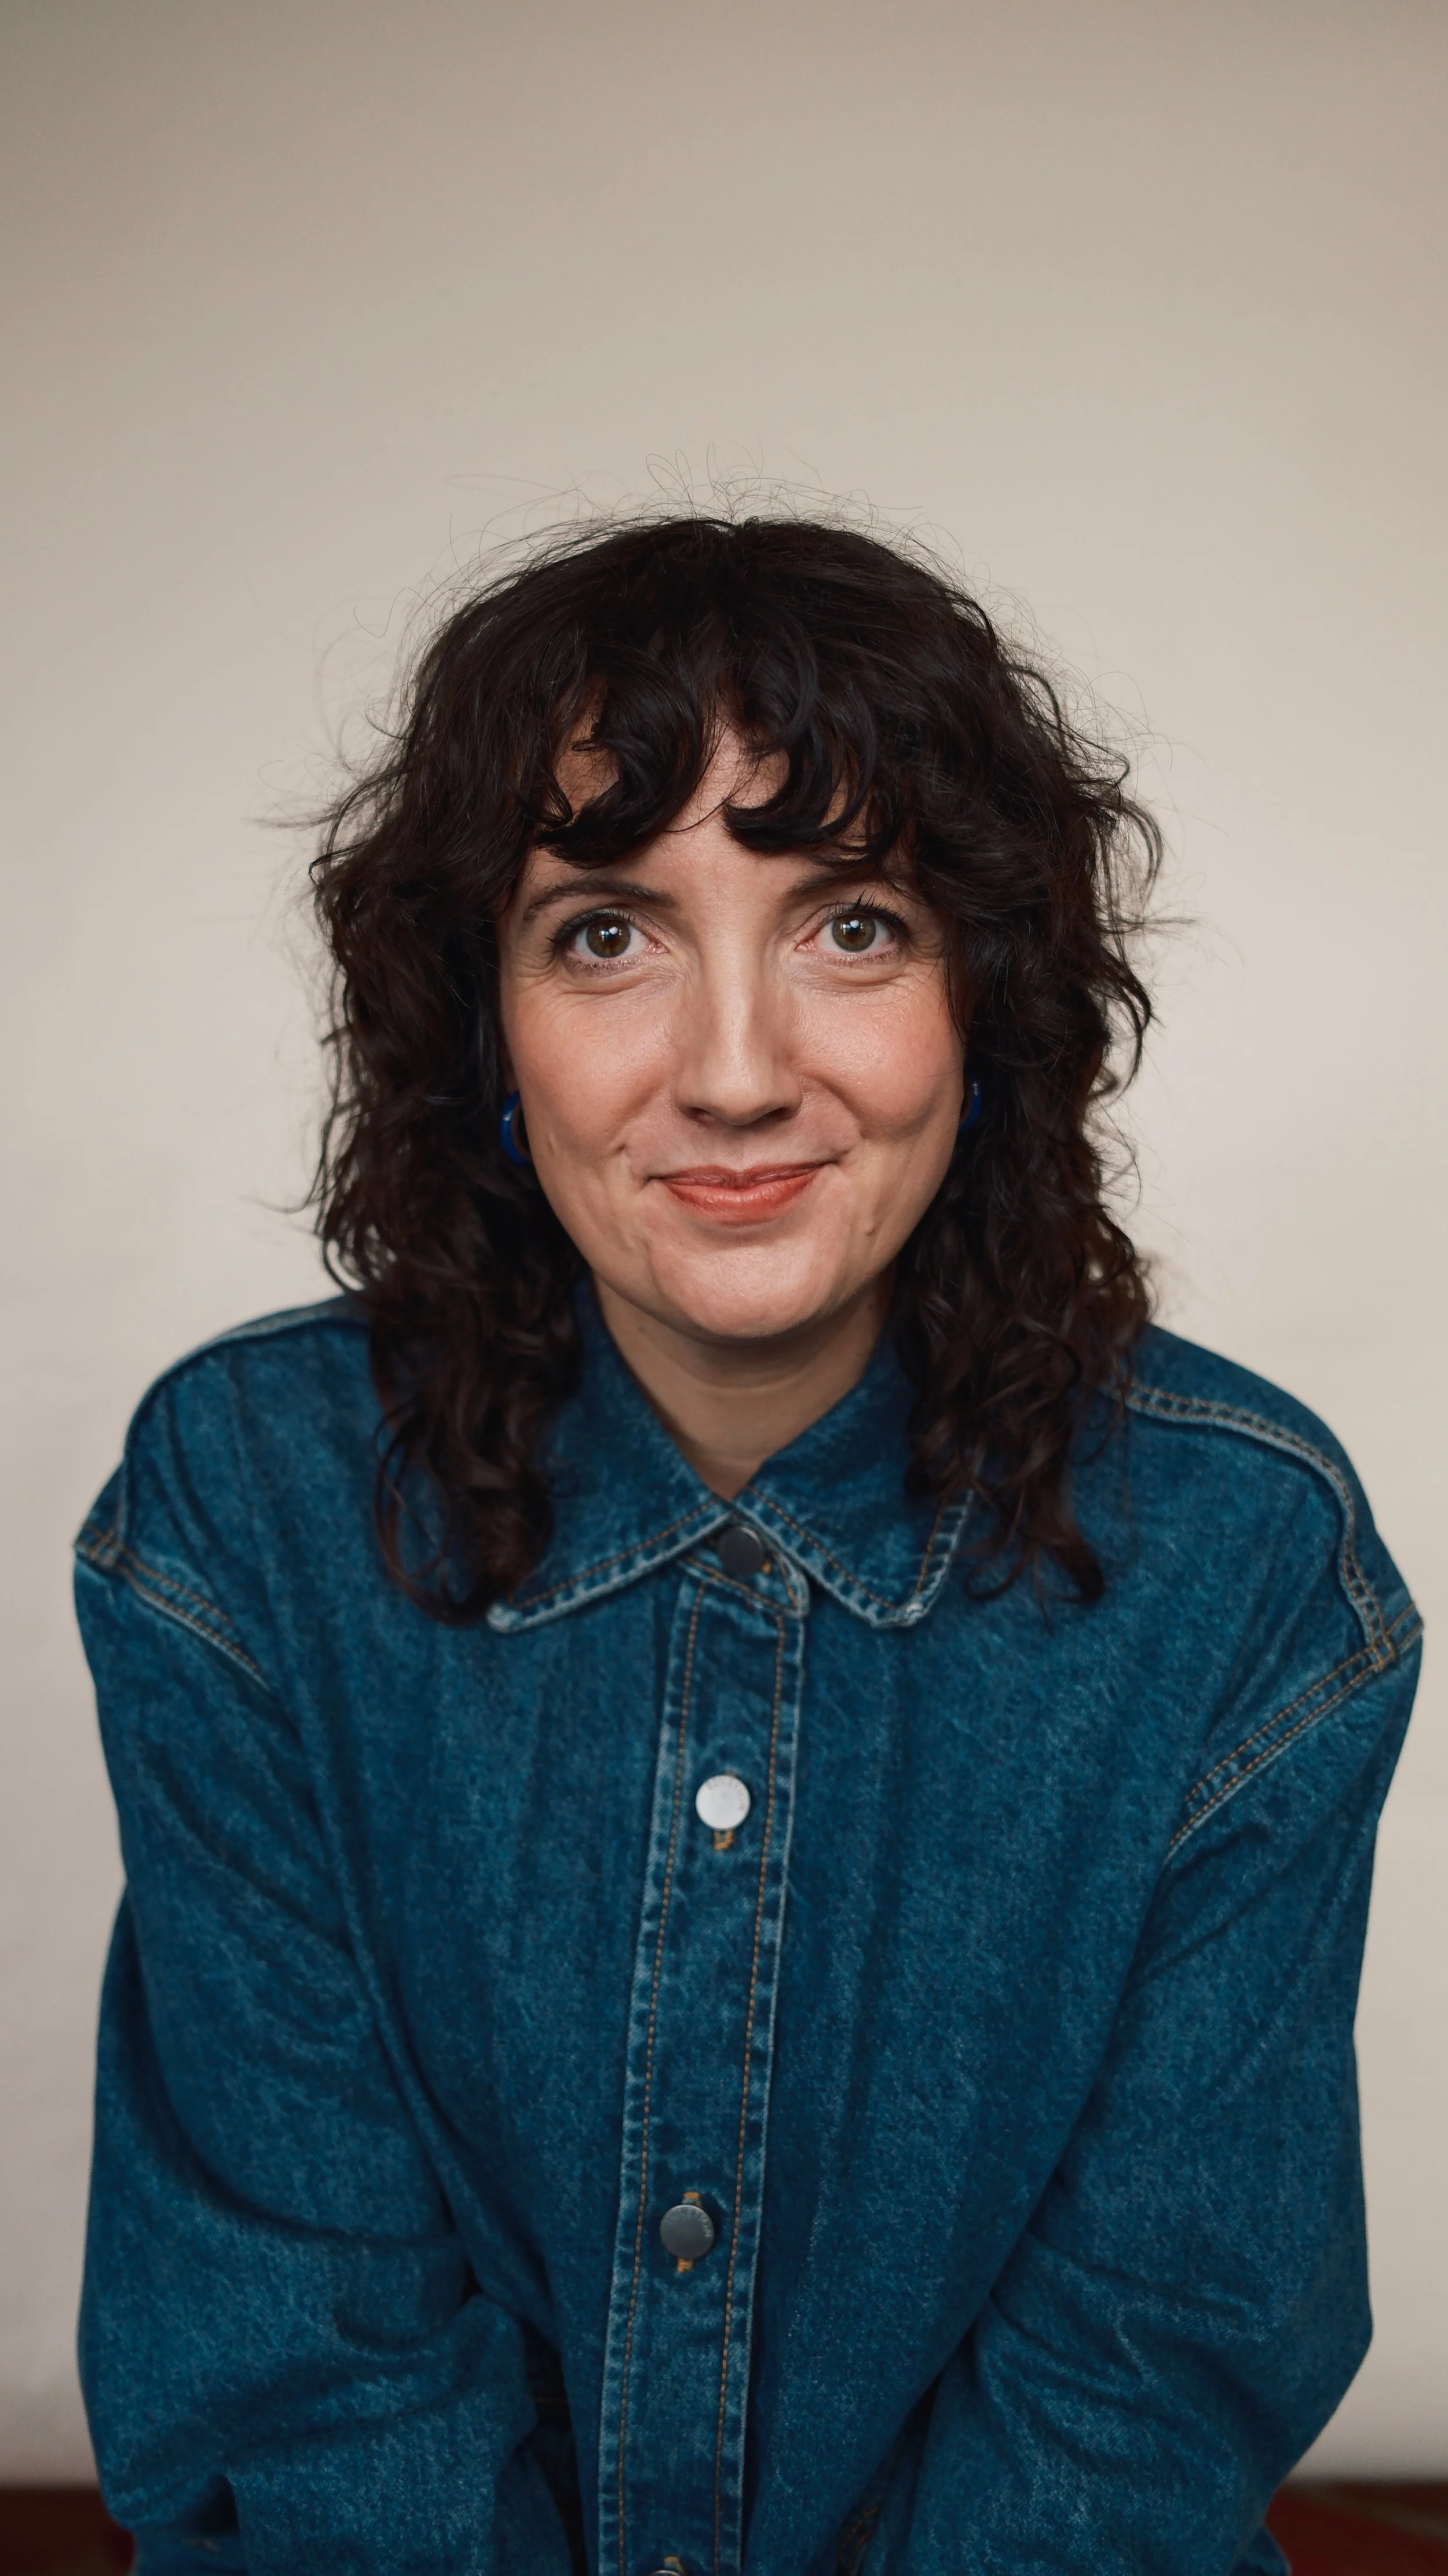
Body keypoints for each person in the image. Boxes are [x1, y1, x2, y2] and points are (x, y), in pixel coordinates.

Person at [74, 513, 1420, 2576]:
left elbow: (1133, 2391)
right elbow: (309, 2379)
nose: (730, 1072)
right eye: (605, 932)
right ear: (481, 1027)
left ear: (990, 998)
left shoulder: (1244, 1563)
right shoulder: (247, 1512)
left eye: (852, 926)